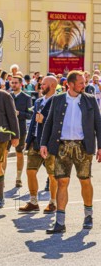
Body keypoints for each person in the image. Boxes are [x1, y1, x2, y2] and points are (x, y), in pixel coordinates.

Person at [40, 71, 101, 233]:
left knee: (85, 180)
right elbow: (49, 122)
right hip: (62, 147)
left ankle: (88, 215)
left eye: (84, 82)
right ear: (70, 84)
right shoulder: (58, 99)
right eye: (81, 82)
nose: (84, 85)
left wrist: (100, 146)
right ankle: (60, 222)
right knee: (62, 182)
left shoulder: (90, 99)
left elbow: (98, 124)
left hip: (83, 147)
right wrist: (43, 144)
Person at [19, 76, 59, 214]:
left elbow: (60, 122)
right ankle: (33, 201)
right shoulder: (38, 101)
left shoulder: (59, 101)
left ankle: (53, 202)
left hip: (49, 143)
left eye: (44, 84)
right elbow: (33, 124)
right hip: (35, 142)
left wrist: (45, 120)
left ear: (53, 85)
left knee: (52, 175)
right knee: (30, 171)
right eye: (41, 84)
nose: (41, 86)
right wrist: (28, 140)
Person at [0, 81, 20, 208]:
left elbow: (13, 116)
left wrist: (16, 135)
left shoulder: (5, 96)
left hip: (1, 135)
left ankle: (0, 196)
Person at [9, 74, 32, 188]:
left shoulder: (26, 97)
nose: (13, 84)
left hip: (20, 129)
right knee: (2, 154)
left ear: (21, 84)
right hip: (7, 129)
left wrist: (19, 113)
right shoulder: (7, 96)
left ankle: (18, 178)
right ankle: (0, 179)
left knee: (19, 153)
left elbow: (29, 115)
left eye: (15, 83)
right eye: (12, 82)